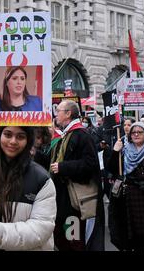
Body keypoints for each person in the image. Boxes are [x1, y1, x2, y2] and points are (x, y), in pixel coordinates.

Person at [50, 99, 104, 251]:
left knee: (72, 239)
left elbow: (90, 164)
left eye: (58, 111)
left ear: (68, 114)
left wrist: (63, 167)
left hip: (73, 202)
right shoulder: (65, 135)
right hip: (61, 198)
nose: (56, 115)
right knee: (62, 239)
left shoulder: (81, 135)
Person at [107, 122, 144, 251]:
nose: (136, 134)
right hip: (127, 195)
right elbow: (112, 168)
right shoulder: (124, 149)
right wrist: (115, 151)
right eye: (133, 132)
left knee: (143, 231)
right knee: (129, 231)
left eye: (139, 132)